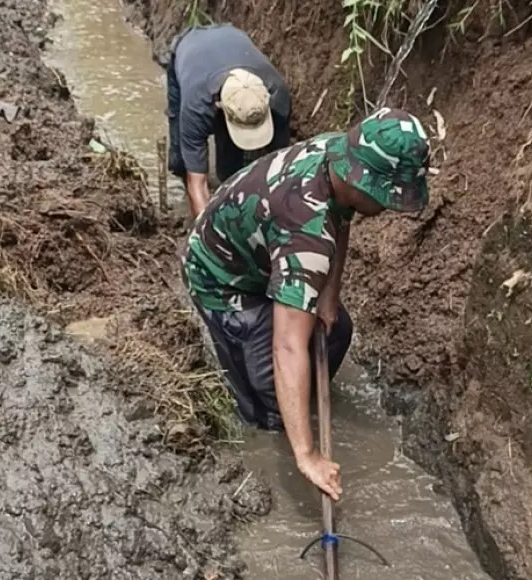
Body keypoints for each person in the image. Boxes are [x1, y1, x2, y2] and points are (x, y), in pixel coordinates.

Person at [180, 108, 432, 500]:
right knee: (268, 407)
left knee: (338, 330)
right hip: (221, 277)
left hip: (264, 248)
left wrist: (328, 296)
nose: (387, 210)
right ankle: (276, 421)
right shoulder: (306, 235)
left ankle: (296, 401)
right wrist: (307, 454)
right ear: (362, 182)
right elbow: (287, 346)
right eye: (386, 199)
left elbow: (341, 215)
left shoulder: (341, 152)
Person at [164, 23, 292, 217]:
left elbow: (280, 163)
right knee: (182, 159)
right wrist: (209, 237)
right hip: (188, 47)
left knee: (231, 167)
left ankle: (229, 189)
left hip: (233, 36)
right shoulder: (196, 106)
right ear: (218, 106)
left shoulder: (277, 95)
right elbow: (197, 183)